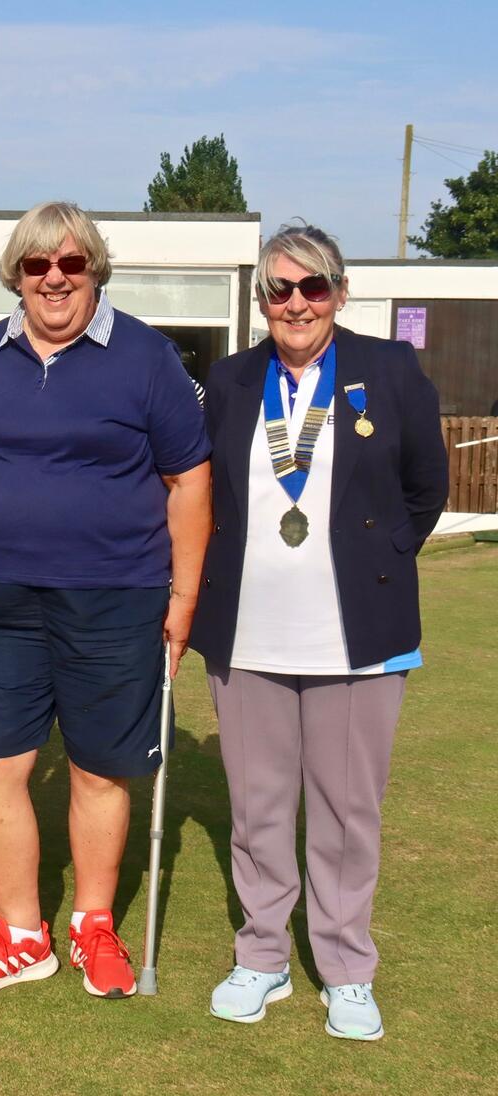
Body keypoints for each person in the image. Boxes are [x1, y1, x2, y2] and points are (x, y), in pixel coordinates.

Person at [0, 200, 211, 999]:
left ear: (94, 272)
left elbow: (189, 481)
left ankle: (93, 926)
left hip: (117, 598)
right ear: (16, 274)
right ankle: (21, 935)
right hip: (2, 596)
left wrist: (183, 598)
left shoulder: (147, 357)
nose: (53, 279)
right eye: (37, 265)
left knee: (100, 769)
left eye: (71, 265)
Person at [189, 223, 448, 1040]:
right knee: (258, 806)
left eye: (313, 287)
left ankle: (345, 968)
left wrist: (381, 558)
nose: (295, 303)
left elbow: (425, 488)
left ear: (339, 292)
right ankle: (262, 956)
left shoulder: (390, 369)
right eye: (278, 289)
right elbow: (204, 493)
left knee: (345, 811)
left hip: (356, 635)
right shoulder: (230, 380)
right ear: (260, 299)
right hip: (249, 631)